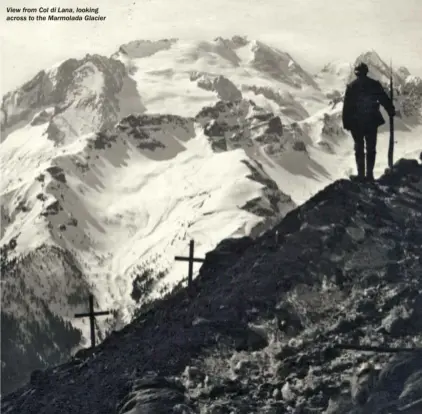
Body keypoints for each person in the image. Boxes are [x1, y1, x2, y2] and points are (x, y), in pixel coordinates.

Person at [342, 62, 396, 181]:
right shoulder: (374, 85)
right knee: (371, 148)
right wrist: (390, 110)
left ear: (356, 73)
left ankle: (361, 175)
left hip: (356, 123)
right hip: (371, 121)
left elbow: (347, 107)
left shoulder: (351, 87)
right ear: (366, 72)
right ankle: (370, 175)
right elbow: (384, 99)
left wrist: (346, 123)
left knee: (359, 148)